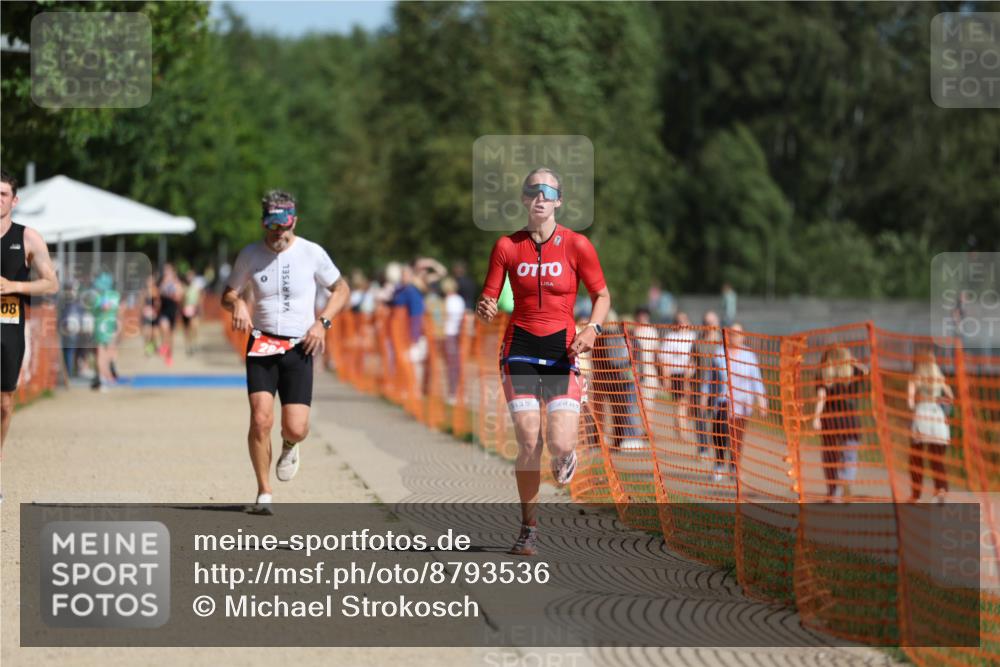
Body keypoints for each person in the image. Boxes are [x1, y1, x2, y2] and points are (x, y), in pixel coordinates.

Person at [477, 167, 611, 556]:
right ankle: (529, 527)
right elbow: (488, 297)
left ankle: (567, 451)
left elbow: (603, 295)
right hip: (519, 347)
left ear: (558, 201)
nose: (540, 197)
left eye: (548, 191)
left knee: (559, 441)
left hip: (562, 350)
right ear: (523, 199)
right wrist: (484, 307)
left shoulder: (577, 245)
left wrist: (593, 330)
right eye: (533, 190)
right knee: (528, 439)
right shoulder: (507, 245)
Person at [222, 190, 350, 515]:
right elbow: (228, 293)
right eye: (271, 227)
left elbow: (341, 289)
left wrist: (322, 323)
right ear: (264, 222)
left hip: (299, 345)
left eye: (283, 226)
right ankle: (264, 493)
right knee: (260, 419)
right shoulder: (250, 254)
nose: (277, 233)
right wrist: (236, 303)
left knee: (296, 427)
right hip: (262, 344)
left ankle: (290, 445)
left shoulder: (312, 253)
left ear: (295, 220)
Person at [0, 169, 59, 501]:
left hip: (9, 326)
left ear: (14, 200)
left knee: (5, 403)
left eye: (3, 194)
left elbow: (51, 283)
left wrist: (15, 286)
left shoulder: (27, 237)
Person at [700, 324, 767, 482]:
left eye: (738, 334)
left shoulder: (749, 356)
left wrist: (762, 400)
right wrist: (704, 395)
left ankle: (734, 467)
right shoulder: (719, 354)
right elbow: (709, 378)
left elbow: (756, 380)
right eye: (732, 333)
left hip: (743, 403)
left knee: (737, 436)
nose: (735, 336)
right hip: (723, 400)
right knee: (719, 432)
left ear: (743, 336)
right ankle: (719, 464)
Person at [811, 346, 870, 501]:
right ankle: (845, 478)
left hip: (830, 421)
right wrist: (852, 361)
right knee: (849, 455)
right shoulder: (853, 373)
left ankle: (833, 492)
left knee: (830, 456)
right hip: (850, 421)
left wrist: (816, 417)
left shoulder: (823, 375)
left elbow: (821, 396)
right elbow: (866, 370)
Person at [908, 352, 954, 502]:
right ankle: (941, 492)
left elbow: (910, 403)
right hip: (937, 417)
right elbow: (951, 397)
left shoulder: (915, 378)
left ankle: (916, 496)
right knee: (937, 459)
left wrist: (915, 407)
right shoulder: (939, 378)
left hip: (921, 417)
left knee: (916, 459)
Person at [659, 311, 697, 435]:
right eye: (679, 321)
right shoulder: (670, 338)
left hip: (692, 374)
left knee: (688, 402)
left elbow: (696, 357)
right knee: (681, 401)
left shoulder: (693, 336)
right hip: (677, 373)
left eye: (684, 320)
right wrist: (666, 378)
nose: (682, 323)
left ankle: (680, 424)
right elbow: (664, 359)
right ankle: (682, 429)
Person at [691, 311, 721, 460]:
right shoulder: (697, 343)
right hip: (699, 385)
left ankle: (717, 450)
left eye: (711, 323)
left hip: (718, 387)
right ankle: (703, 448)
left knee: (716, 418)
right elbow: (692, 362)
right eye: (706, 323)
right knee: (701, 418)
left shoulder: (722, 343)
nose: (708, 326)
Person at [90, 272, 121, 392]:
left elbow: (99, 309)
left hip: (103, 327)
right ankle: (105, 378)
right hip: (109, 327)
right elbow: (117, 311)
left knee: (103, 354)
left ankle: (104, 378)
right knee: (106, 354)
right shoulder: (114, 296)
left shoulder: (99, 296)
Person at [441, 277, 466, 403]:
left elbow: (444, 318)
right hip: (458, 334)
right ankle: (459, 392)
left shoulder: (448, 301)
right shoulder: (460, 300)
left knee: (452, 364)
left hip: (449, 334)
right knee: (456, 363)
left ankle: (453, 393)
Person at [157, 263, 183, 366]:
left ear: (173, 272)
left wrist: (174, 294)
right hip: (164, 311)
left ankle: (169, 355)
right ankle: (163, 345)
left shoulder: (177, 283)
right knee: (164, 328)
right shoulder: (162, 282)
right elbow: (158, 293)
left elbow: (179, 296)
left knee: (171, 336)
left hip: (173, 311)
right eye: (165, 271)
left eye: (168, 271)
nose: (166, 273)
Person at [181, 268, 204, 355]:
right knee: (186, 329)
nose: (189, 277)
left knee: (194, 327)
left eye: (191, 276)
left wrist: (200, 310)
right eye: (188, 276)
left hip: (194, 310)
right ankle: (188, 345)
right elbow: (181, 301)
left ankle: (194, 344)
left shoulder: (196, 287)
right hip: (186, 310)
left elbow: (200, 299)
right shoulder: (184, 287)